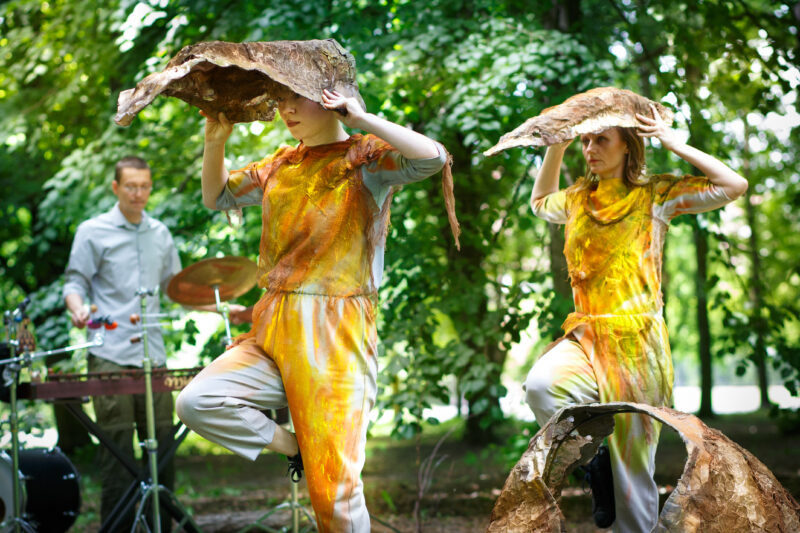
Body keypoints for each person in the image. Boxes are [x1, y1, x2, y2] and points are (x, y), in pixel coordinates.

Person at [175, 82, 456, 532]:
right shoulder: (278, 166)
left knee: (336, 494)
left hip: (336, 336)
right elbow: (217, 198)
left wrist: (359, 118)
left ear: (329, 99)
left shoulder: (365, 158)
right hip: (272, 328)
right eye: (279, 100)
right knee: (197, 400)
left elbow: (433, 158)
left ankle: (317, 457)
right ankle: (299, 448)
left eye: (295, 98)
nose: (285, 109)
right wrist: (215, 142)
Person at [523, 104, 748, 532]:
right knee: (541, 387)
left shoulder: (655, 195)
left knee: (633, 474)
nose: (590, 149)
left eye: (601, 140)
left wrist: (675, 144)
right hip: (585, 334)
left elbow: (733, 184)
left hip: (637, 344)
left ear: (628, 147)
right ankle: (595, 461)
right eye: (586, 141)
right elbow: (538, 203)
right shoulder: (575, 199)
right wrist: (557, 148)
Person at [63, 156, 181, 532]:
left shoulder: (160, 233)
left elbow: (177, 288)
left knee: (163, 449)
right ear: (115, 187)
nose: (139, 194)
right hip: (109, 352)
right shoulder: (92, 231)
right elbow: (74, 284)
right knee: (117, 453)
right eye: (131, 186)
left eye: (145, 186)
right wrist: (78, 309)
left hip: (155, 355)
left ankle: (159, 526)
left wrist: (222, 293)